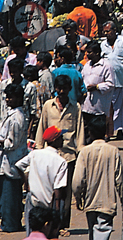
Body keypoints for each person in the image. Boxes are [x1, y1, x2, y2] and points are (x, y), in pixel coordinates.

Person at [34, 76, 85, 230]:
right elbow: (42, 127)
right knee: (50, 192)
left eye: (64, 89)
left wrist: (81, 151)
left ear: (69, 90)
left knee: (66, 193)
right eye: (59, 89)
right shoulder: (48, 106)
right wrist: (38, 148)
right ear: (55, 89)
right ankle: (50, 223)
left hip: (68, 156)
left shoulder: (75, 107)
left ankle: (63, 225)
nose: (61, 92)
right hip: (50, 156)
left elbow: (80, 130)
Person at [72, 116, 123, 240]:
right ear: (105, 132)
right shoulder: (113, 151)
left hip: (90, 201)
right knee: (102, 232)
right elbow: (120, 180)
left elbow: (77, 180)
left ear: (90, 132)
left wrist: (78, 197)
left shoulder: (85, 152)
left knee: (93, 231)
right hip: (107, 203)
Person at [0, 83, 28, 233]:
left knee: (10, 196)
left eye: (11, 97)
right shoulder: (12, 114)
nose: (7, 100)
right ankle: (9, 222)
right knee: (8, 194)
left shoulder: (17, 118)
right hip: (9, 161)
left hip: (12, 161)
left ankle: (10, 224)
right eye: (7, 97)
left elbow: (11, 143)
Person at [81, 40, 114, 128]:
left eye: (90, 52)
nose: (87, 54)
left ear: (97, 53)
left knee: (98, 130)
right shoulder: (87, 65)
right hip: (86, 105)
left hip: (100, 106)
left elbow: (110, 84)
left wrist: (97, 87)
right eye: (87, 52)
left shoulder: (106, 66)